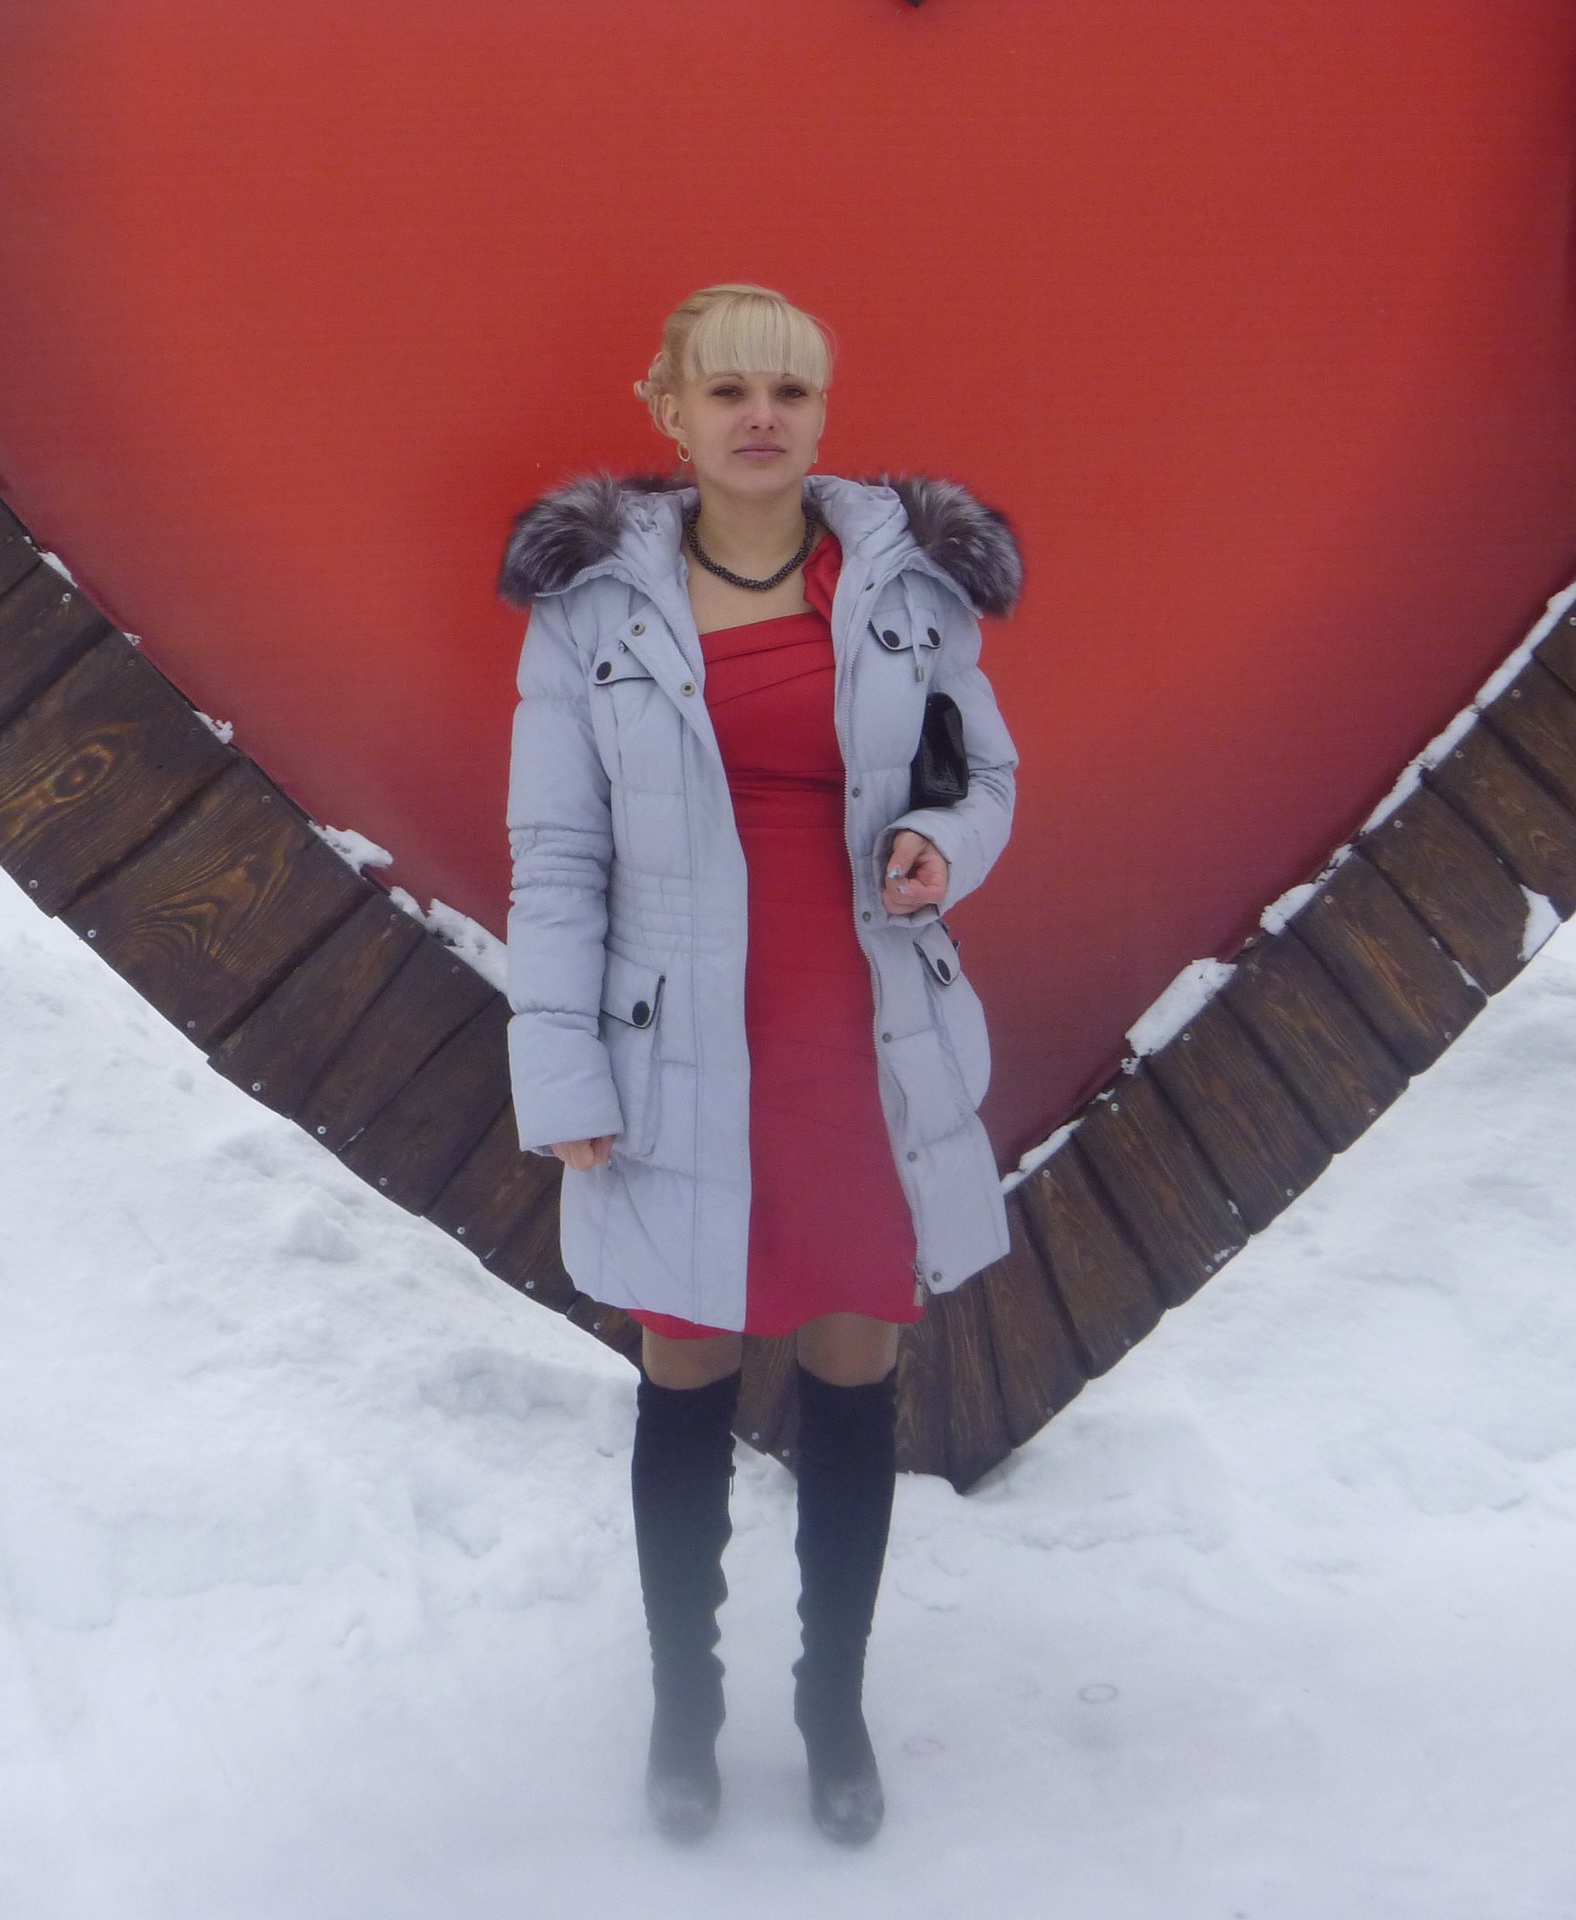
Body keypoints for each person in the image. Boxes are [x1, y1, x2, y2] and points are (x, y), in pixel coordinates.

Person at [497, 284, 1022, 1846]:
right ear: (668, 410)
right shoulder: (591, 609)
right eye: (727, 389)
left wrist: (943, 842)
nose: (761, 417)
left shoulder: (906, 588)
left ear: (821, 412)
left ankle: (831, 1708)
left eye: (789, 390)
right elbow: (555, 856)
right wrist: (564, 1074)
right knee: (688, 1370)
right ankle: (685, 1709)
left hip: (861, 1041)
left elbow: (984, 774)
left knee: (855, 1367)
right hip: (674, 1047)